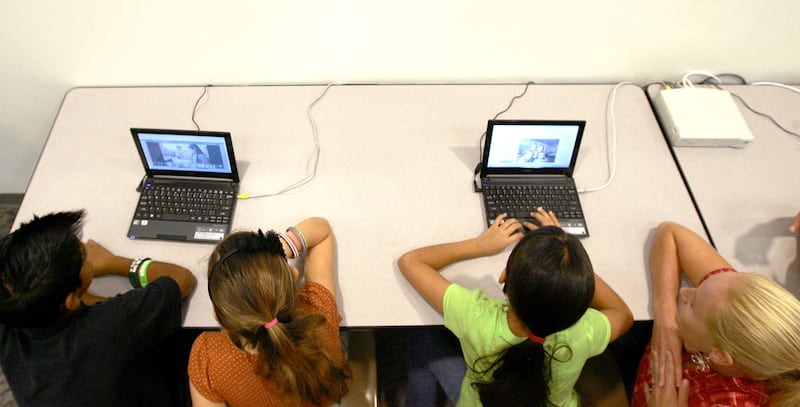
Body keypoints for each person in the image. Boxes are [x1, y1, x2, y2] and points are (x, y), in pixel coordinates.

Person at [398, 208, 633, 406]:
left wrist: (480, 245)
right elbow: (622, 314)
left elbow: (411, 261)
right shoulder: (582, 332)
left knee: (422, 340)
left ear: (504, 277)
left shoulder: (477, 316)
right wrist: (566, 262)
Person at [0, 210, 197, 406]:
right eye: (84, 257)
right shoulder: (112, 323)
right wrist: (114, 263)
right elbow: (181, 280)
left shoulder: (9, 318)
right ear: (70, 301)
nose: (87, 251)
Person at [632, 221, 800, 407]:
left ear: (719, 355)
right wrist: (665, 315)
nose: (684, 293)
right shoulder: (731, 303)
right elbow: (671, 233)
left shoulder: (727, 401)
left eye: (693, 305)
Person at [188, 217, 351, 407]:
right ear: (293, 276)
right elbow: (321, 231)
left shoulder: (208, 358)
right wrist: (280, 246)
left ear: (218, 315)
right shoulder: (318, 315)